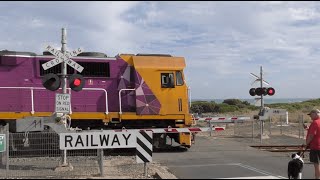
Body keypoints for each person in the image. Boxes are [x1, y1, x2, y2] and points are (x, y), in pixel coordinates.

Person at [305, 109, 320, 179]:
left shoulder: (315, 123)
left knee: (316, 165)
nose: (310, 116)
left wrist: (306, 144)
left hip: (315, 146)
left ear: (315, 114)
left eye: (311, 115)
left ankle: (317, 178)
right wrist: (308, 129)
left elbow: (311, 135)